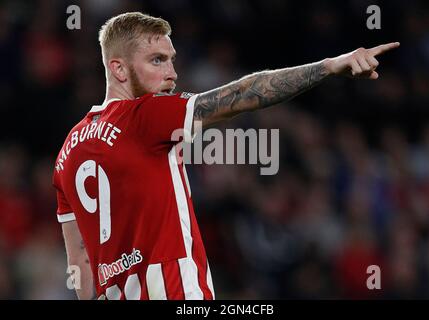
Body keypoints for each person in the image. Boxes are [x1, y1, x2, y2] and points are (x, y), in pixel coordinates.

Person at [52, 12, 399, 300]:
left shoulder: (67, 152)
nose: (171, 74)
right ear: (119, 69)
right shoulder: (143, 115)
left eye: (172, 60)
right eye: (156, 60)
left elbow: (80, 261)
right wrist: (328, 66)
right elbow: (246, 94)